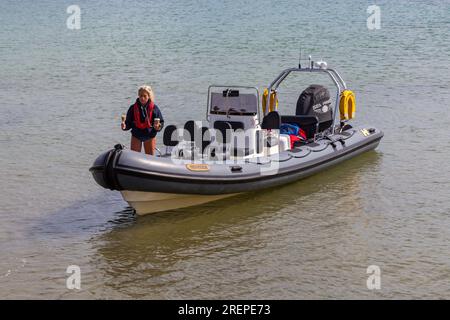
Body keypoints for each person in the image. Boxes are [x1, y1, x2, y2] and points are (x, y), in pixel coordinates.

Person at [121, 85, 164, 155]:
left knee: (150, 158)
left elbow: (161, 122)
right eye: (141, 96)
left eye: (145, 96)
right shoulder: (132, 108)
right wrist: (124, 126)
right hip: (136, 134)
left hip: (149, 134)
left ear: (149, 96)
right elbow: (128, 123)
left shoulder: (154, 108)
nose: (142, 98)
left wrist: (158, 126)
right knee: (134, 157)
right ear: (138, 96)